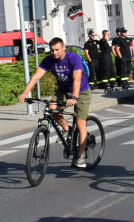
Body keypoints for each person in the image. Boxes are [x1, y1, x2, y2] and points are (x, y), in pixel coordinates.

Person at [18, 37, 93, 167]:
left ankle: (80, 157)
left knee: (80, 123)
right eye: (52, 50)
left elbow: (77, 80)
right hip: (63, 91)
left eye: (57, 49)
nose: (54, 53)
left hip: (81, 92)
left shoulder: (73, 58)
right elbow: (36, 77)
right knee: (52, 108)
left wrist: (74, 97)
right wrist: (25, 93)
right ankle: (66, 129)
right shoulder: (49, 60)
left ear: (64, 48)